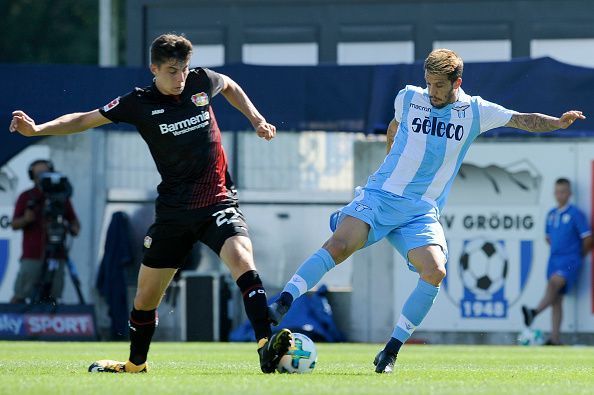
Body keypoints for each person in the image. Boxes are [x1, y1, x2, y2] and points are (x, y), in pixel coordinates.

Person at [268, 49, 586, 373]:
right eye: (428, 83)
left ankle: (390, 352)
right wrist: (389, 160)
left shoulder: (476, 111)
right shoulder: (408, 97)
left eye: (438, 85)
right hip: (381, 196)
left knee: (435, 271)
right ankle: (281, 303)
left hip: (421, 211)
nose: (432, 92)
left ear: (456, 82)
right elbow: (393, 127)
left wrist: (558, 123)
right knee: (339, 246)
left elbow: (522, 119)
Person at [9, 33, 291, 374]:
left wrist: (256, 118)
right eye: (172, 70)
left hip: (218, 202)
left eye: (184, 69)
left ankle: (265, 344)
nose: (180, 78)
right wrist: (38, 129)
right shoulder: (137, 103)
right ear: (153, 68)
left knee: (242, 258)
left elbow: (229, 84)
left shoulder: (201, 81)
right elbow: (84, 119)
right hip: (173, 214)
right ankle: (135, 365)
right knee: (145, 299)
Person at [522, 178, 592, 345]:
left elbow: (588, 238)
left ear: (569, 193)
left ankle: (534, 312)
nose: (560, 195)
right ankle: (555, 339)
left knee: (553, 285)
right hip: (554, 260)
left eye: (563, 191)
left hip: (570, 260)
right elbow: (548, 238)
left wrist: (576, 255)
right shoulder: (551, 214)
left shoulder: (576, 214)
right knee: (556, 300)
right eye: (557, 191)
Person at [10, 159, 80, 304]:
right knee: (20, 294)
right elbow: (14, 224)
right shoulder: (26, 196)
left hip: (57, 255)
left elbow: (75, 223)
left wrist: (69, 227)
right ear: (32, 176)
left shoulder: (62, 197)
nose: (42, 177)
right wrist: (26, 219)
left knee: (53, 297)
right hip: (32, 255)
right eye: (38, 174)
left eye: (46, 173)